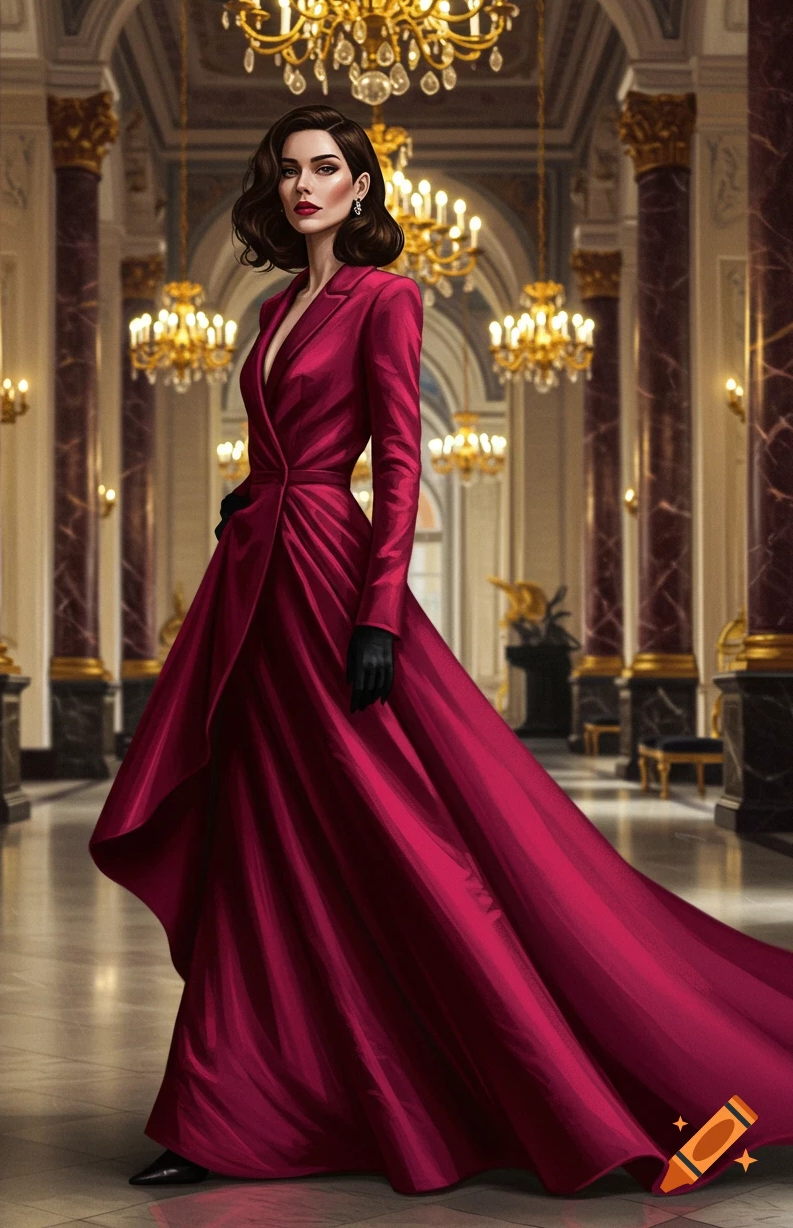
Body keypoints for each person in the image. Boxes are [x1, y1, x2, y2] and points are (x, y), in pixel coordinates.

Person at [89, 105, 793, 1200]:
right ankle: (227, 1109)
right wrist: (249, 493)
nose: (303, 185)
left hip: (328, 583)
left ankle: (543, 1080)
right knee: (263, 848)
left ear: (361, 186)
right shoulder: (276, 307)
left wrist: (380, 610)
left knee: (401, 836)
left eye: (325, 167)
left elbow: (401, 461)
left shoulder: (388, 297)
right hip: (254, 585)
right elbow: (280, 446)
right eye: (287, 170)